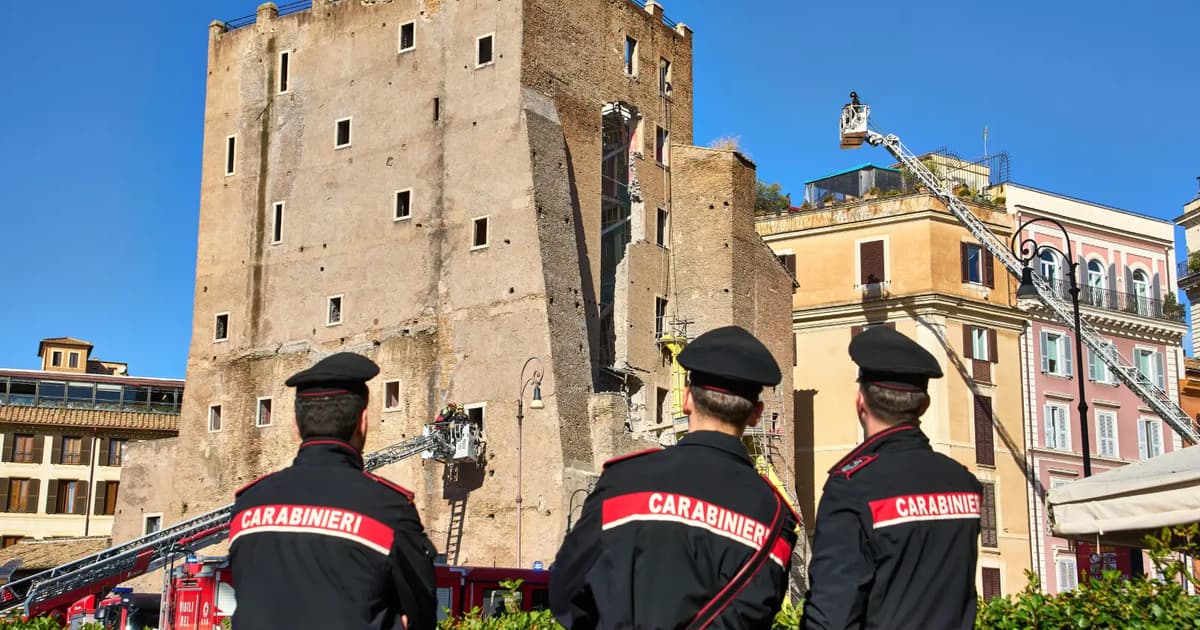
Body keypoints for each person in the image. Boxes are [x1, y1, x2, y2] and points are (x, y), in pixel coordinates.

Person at [550, 325, 799, 629]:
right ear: (756, 413)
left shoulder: (623, 482)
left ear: (687, 399)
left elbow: (565, 590)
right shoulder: (774, 519)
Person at [229, 352, 437, 630]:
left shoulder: (247, 507)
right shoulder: (388, 511)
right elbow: (422, 613)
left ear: (295, 424)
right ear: (362, 421)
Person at [802, 326, 983, 629]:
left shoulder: (852, 486)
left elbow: (832, 613)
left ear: (861, 402)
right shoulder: (964, 484)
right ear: (924, 405)